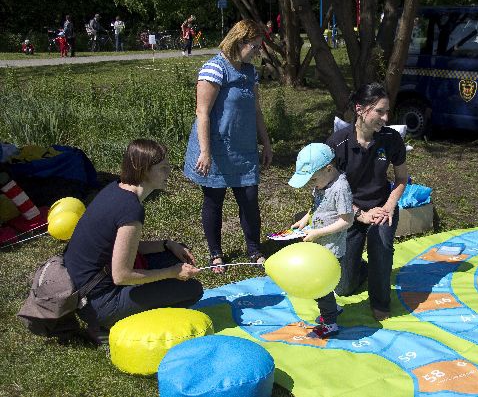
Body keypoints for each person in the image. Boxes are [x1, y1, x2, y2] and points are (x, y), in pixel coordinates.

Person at [64, 139, 203, 342]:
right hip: (97, 303)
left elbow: (121, 248)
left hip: (88, 287)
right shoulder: (130, 210)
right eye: (162, 168)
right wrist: (172, 273)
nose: (168, 173)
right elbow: (121, 275)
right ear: (143, 169)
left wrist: (167, 244)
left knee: (170, 258)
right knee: (191, 290)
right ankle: (107, 327)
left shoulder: (115, 189)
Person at [183, 19, 272, 273]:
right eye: (254, 47)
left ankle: (254, 249)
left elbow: (255, 110)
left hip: (243, 149)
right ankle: (216, 254)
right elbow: (202, 112)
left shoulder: (249, 71)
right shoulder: (214, 68)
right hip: (216, 149)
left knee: (250, 200)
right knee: (214, 200)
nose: (257, 52)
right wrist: (205, 151)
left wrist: (265, 142)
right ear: (239, 41)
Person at [326, 83, 408, 321]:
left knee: (380, 243)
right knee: (344, 287)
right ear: (360, 109)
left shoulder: (391, 139)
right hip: (348, 212)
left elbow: (401, 178)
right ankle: (363, 269)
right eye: (380, 111)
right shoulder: (338, 143)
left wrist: (388, 206)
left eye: (387, 111)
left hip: (382, 209)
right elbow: (330, 190)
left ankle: (381, 301)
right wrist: (360, 214)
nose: (386, 117)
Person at [288, 143, 353, 338]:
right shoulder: (321, 184)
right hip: (319, 246)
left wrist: (318, 233)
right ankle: (333, 308)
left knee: (320, 286)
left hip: (331, 249)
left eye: (313, 178)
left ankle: (330, 323)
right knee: (322, 286)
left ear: (329, 169)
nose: (312, 183)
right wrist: (304, 220)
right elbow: (315, 207)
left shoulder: (341, 188)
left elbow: (347, 220)